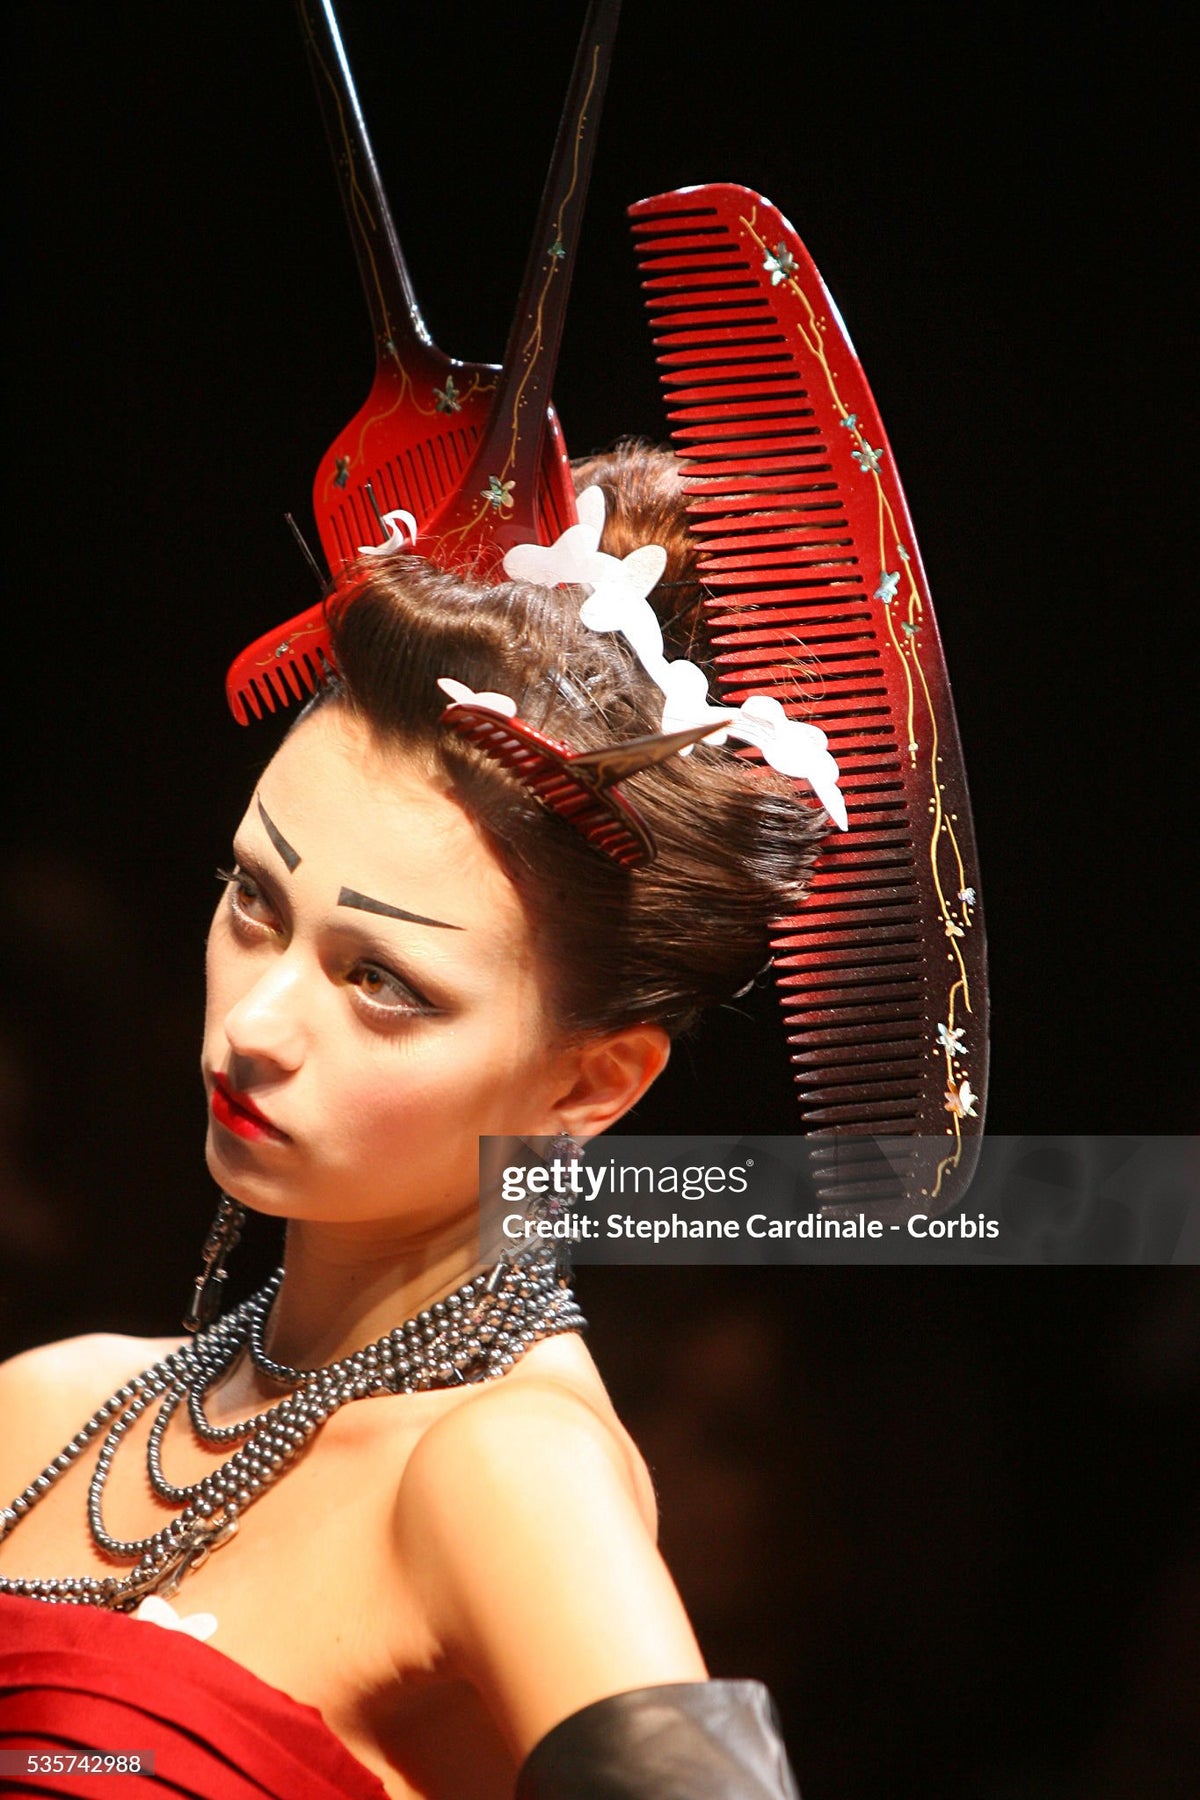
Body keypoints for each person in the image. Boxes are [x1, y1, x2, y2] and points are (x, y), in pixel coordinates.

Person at [0, 447, 818, 1797]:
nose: (256, 1025)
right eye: (255, 899)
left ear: (588, 1085)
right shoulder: (47, 1407)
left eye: (382, 982)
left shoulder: (505, 1473)